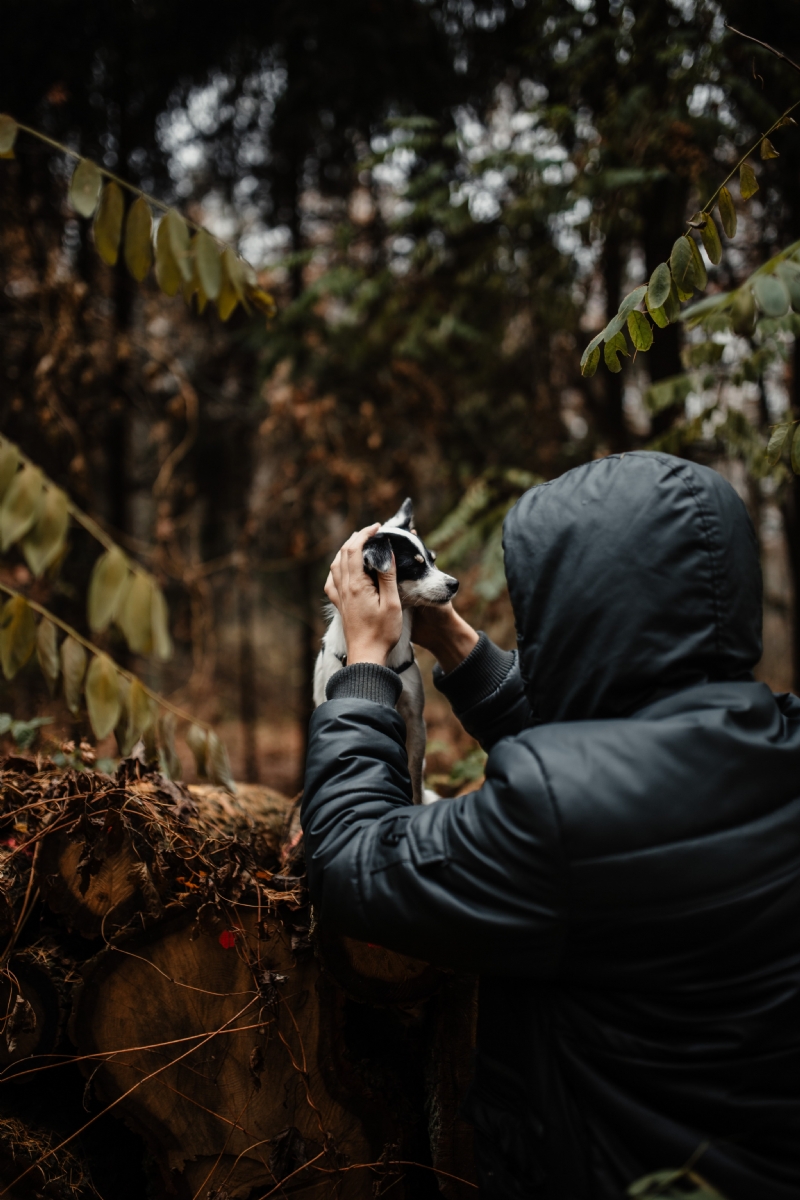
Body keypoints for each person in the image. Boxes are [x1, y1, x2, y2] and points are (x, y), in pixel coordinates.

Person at [301, 451, 800, 1200]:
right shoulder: (779, 740)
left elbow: (352, 862)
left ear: (573, 612)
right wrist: (449, 638)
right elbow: (615, 746)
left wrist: (366, 666)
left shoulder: (556, 820)